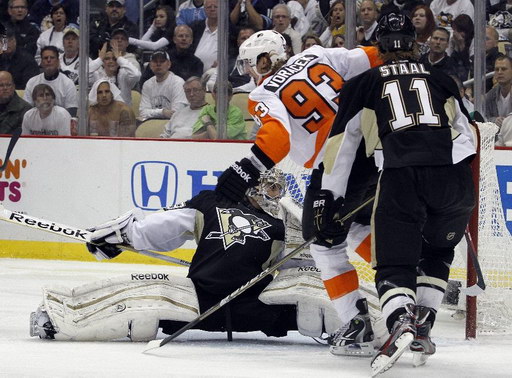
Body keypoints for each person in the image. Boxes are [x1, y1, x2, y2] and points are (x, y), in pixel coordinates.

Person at [314, 13, 476, 375]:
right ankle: (424, 324)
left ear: (380, 45)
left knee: (395, 264)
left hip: (402, 176)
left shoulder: (363, 82)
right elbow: (467, 134)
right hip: (456, 179)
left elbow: (341, 148)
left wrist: (329, 198)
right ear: (414, 43)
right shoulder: (442, 78)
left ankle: (401, 319)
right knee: (437, 251)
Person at [214, 30, 384, 356]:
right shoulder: (318, 54)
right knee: (356, 226)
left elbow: (278, 140)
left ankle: (357, 324)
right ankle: (406, 280)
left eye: (252, 64)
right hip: (377, 151)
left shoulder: (264, 93)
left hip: (338, 164)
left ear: (264, 61)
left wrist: (243, 172)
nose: (251, 72)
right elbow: (378, 56)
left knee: (322, 244)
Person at [29, 169, 339, 343]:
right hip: (196, 303)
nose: (275, 195)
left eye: (278, 190)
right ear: (253, 187)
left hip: (252, 309)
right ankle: (58, 316)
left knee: (309, 303)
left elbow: (304, 273)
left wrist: (314, 242)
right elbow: (161, 229)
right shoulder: (210, 202)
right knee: (146, 292)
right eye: (270, 188)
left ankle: (356, 325)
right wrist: (122, 237)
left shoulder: (284, 225)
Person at [24, 46, 78, 117]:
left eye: (52, 57)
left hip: (61, 125)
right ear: (41, 62)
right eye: (45, 58)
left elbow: (72, 113)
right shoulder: (32, 82)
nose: (49, 60)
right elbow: (27, 110)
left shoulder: (68, 84)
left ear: (58, 61)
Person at [139, 50, 187, 122]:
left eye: (162, 61)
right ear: (150, 65)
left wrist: (152, 113)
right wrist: (163, 112)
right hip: (152, 124)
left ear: (169, 64)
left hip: (174, 124)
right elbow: (143, 112)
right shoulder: (147, 84)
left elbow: (177, 113)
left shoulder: (178, 83)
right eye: (155, 61)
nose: (158, 64)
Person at [90, 41, 141, 106]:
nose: (111, 61)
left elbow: (136, 75)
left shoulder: (124, 74)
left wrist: (120, 58)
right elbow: (83, 75)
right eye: (107, 59)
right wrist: (99, 59)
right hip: (101, 114)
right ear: (102, 62)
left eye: (114, 59)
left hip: (122, 113)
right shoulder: (96, 74)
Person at [0, 25, 40, 90]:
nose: (6, 44)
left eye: (9, 40)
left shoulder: (27, 60)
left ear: (15, 41)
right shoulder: (2, 57)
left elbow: (29, 86)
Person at [190, 0, 219, 73]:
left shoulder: (228, 28)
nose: (212, 9)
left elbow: (232, 53)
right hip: (195, 73)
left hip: (218, 74)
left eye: (215, 7)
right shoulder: (196, 27)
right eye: (209, 7)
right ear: (204, 9)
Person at [485, 55, 512, 127]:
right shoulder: (490, 95)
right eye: (497, 69)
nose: (499, 72)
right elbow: (486, 118)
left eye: (503, 69)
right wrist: (495, 120)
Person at [448, 14, 474, 83]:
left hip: (469, 75)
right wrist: (456, 47)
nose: (455, 33)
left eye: (458, 31)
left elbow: (469, 66)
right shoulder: (453, 39)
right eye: (454, 30)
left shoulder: (474, 41)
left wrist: (462, 45)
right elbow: (449, 60)